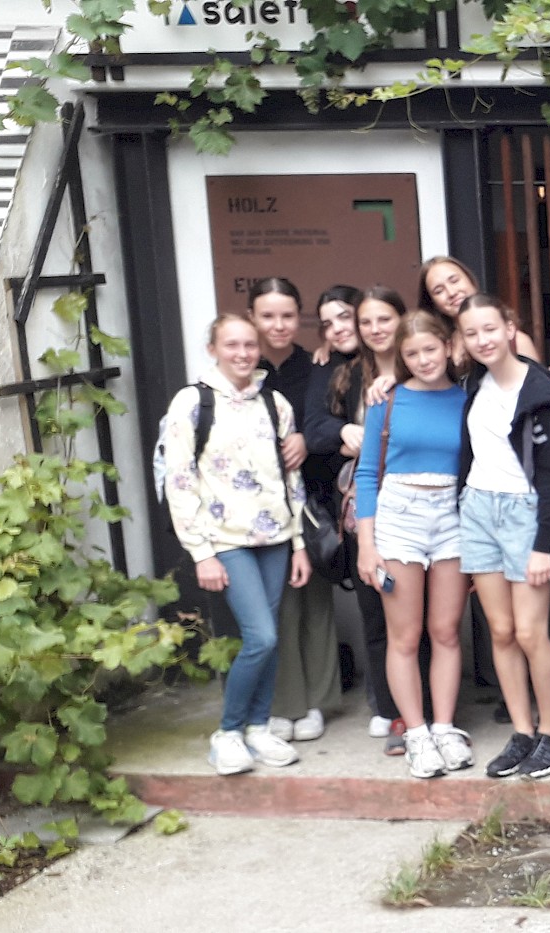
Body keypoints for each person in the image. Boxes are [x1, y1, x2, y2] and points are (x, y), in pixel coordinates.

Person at [161, 314, 311, 775]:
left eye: (249, 344)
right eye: (232, 345)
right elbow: (179, 480)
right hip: (225, 540)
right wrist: (201, 553)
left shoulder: (274, 402)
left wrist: (299, 543)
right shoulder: (192, 402)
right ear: (213, 349)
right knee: (260, 636)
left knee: (269, 637)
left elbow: (291, 478)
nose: (243, 353)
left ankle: (258, 728)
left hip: (276, 538)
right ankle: (227, 733)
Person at [456, 294, 550, 780]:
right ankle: (521, 731)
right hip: (478, 510)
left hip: (525, 514)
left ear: (510, 328)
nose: (482, 340)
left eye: (490, 329)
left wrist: (541, 545)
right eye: (471, 333)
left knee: (532, 632)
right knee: (501, 631)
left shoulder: (541, 389)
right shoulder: (474, 384)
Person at [353, 312, 474, 779]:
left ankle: (444, 727)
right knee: (404, 636)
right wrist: (367, 545)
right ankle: (417, 734)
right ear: (401, 358)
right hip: (398, 517)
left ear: (447, 346)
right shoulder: (385, 400)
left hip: (452, 515)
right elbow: (367, 473)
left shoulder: (467, 399)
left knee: (446, 631)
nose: (423, 360)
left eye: (430, 349)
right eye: (412, 353)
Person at [302, 286, 409, 751]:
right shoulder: (342, 373)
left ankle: (427, 709)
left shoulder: (421, 362)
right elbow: (314, 429)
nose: (369, 329)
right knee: (376, 613)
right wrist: (344, 431)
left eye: (349, 317)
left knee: (420, 617)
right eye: (329, 324)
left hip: (419, 506)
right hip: (363, 509)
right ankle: (388, 707)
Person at [247, 278, 340, 744]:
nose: (278, 325)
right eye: (268, 316)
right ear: (252, 318)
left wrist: (308, 438)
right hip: (258, 506)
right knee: (276, 606)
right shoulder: (243, 368)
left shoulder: (317, 366)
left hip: (312, 501)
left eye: (287, 315)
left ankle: (319, 702)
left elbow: (333, 424)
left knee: (315, 603)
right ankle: (284, 704)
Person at [418, 256, 539, 360]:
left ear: (470, 280)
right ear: (433, 303)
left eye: (454, 281)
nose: (451, 292)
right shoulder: (439, 348)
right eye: (439, 291)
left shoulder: (515, 341)